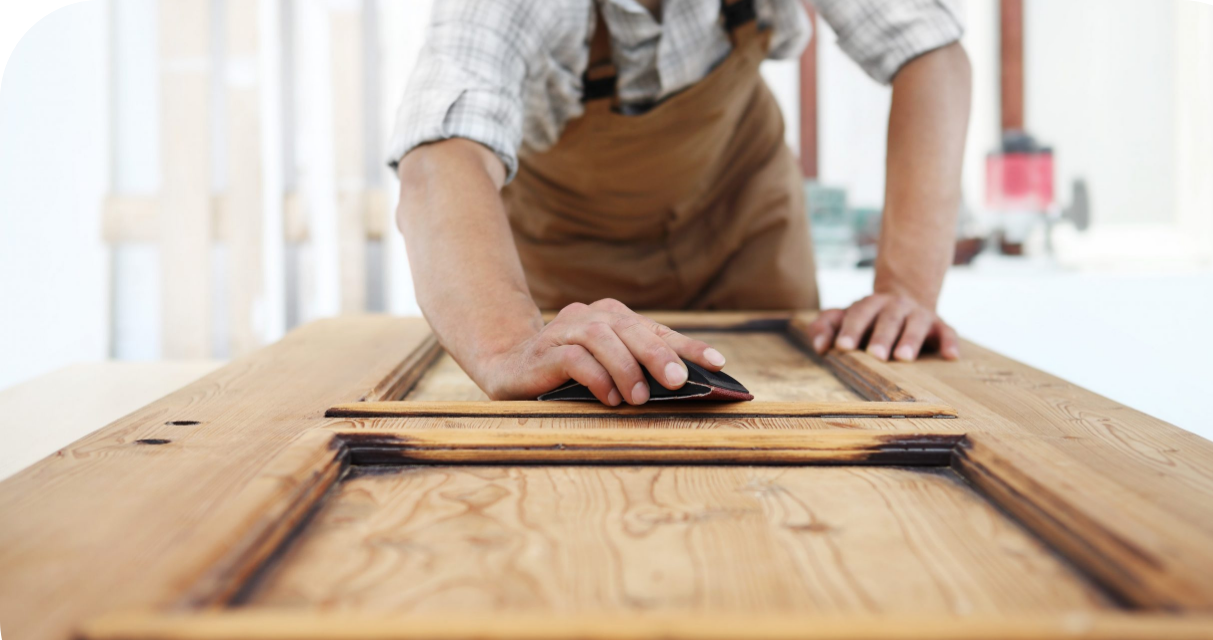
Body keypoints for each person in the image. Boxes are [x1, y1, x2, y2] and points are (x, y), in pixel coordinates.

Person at [391, 0, 970, 405]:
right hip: (568, 248)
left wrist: (905, 292)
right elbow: (442, 156)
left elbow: (929, 54)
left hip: (744, 217)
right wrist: (506, 346)